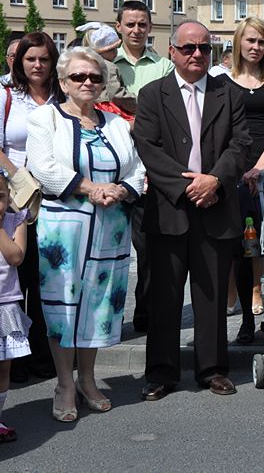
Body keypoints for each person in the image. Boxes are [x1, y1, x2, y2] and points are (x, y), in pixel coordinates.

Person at [134, 20, 251, 401]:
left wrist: (215, 181)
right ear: (173, 52)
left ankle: (213, 369)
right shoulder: (152, 94)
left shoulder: (229, 93)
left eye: (204, 47)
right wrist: (189, 187)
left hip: (216, 208)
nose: (197, 54)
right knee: (165, 298)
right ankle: (162, 373)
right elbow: (148, 149)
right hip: (170, 209)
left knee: (212, 295)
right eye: (188, 48)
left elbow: (241, 145)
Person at [26, 46, 145, 420]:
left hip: (111, 226)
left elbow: (137, 168)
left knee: (100, 302)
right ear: (63, 82)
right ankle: (64, 382)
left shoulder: (115, 123)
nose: (88, 82)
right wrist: (91, 188)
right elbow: (42, 167)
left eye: (95, 76)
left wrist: (122, 190)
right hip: (63, 225)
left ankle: (88, 379)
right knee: (63, 301)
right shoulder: (46, 118)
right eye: (78, 76)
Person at [224, 17, 264, 344]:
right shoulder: (223, 82)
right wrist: (240, 169)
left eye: (262, 42)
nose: (256, 47)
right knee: (244, 246)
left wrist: (260, 167)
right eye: (250, 41)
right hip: (237, 173)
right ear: (239, 43)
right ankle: (248, 321)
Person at [113, 0, 175, 334]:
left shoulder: (164, 66)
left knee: (147, 247)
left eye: (142, 24)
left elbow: (165, 111)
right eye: (130, 24)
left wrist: (133, 115)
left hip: (148, 168)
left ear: (150, 27)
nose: (136, 30)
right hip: (110, 167)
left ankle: (146, 311)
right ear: (119, 26)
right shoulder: (105, 63)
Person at [2, 33, 60, 383]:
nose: (37, 65)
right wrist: (20, 178)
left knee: (44, 281)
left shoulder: (61, 96)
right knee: (14, 280)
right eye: (30, 59)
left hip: (54, 201)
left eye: (44, 59)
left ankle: (41, 355)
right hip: (13, 200)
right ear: (20, 62)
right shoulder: (7, 95)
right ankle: (14, 358)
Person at [0, 173, 29, 442]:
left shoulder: (15, 222)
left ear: (8, 197)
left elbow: (16, 256)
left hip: (6, 306)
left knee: (3, 368)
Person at [77, 22, 136, 121]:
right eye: (112, 49)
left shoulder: (86, 64)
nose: (115, 53)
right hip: (107, 109)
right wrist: (136, 102)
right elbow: (115, 94)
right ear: (102, 50)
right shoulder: (108, 67)